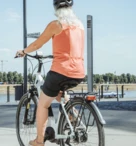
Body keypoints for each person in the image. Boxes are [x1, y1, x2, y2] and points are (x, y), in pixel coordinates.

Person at [15, 0, 85, 145]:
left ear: (56, 8)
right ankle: (72, 114)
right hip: (79, 72)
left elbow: (37, 44)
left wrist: (23, 51)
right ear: (71, 7)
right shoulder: (80, 26)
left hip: (61, 71)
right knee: (58, 93)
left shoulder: (56, 24)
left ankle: (39, 141)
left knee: (43, 103)